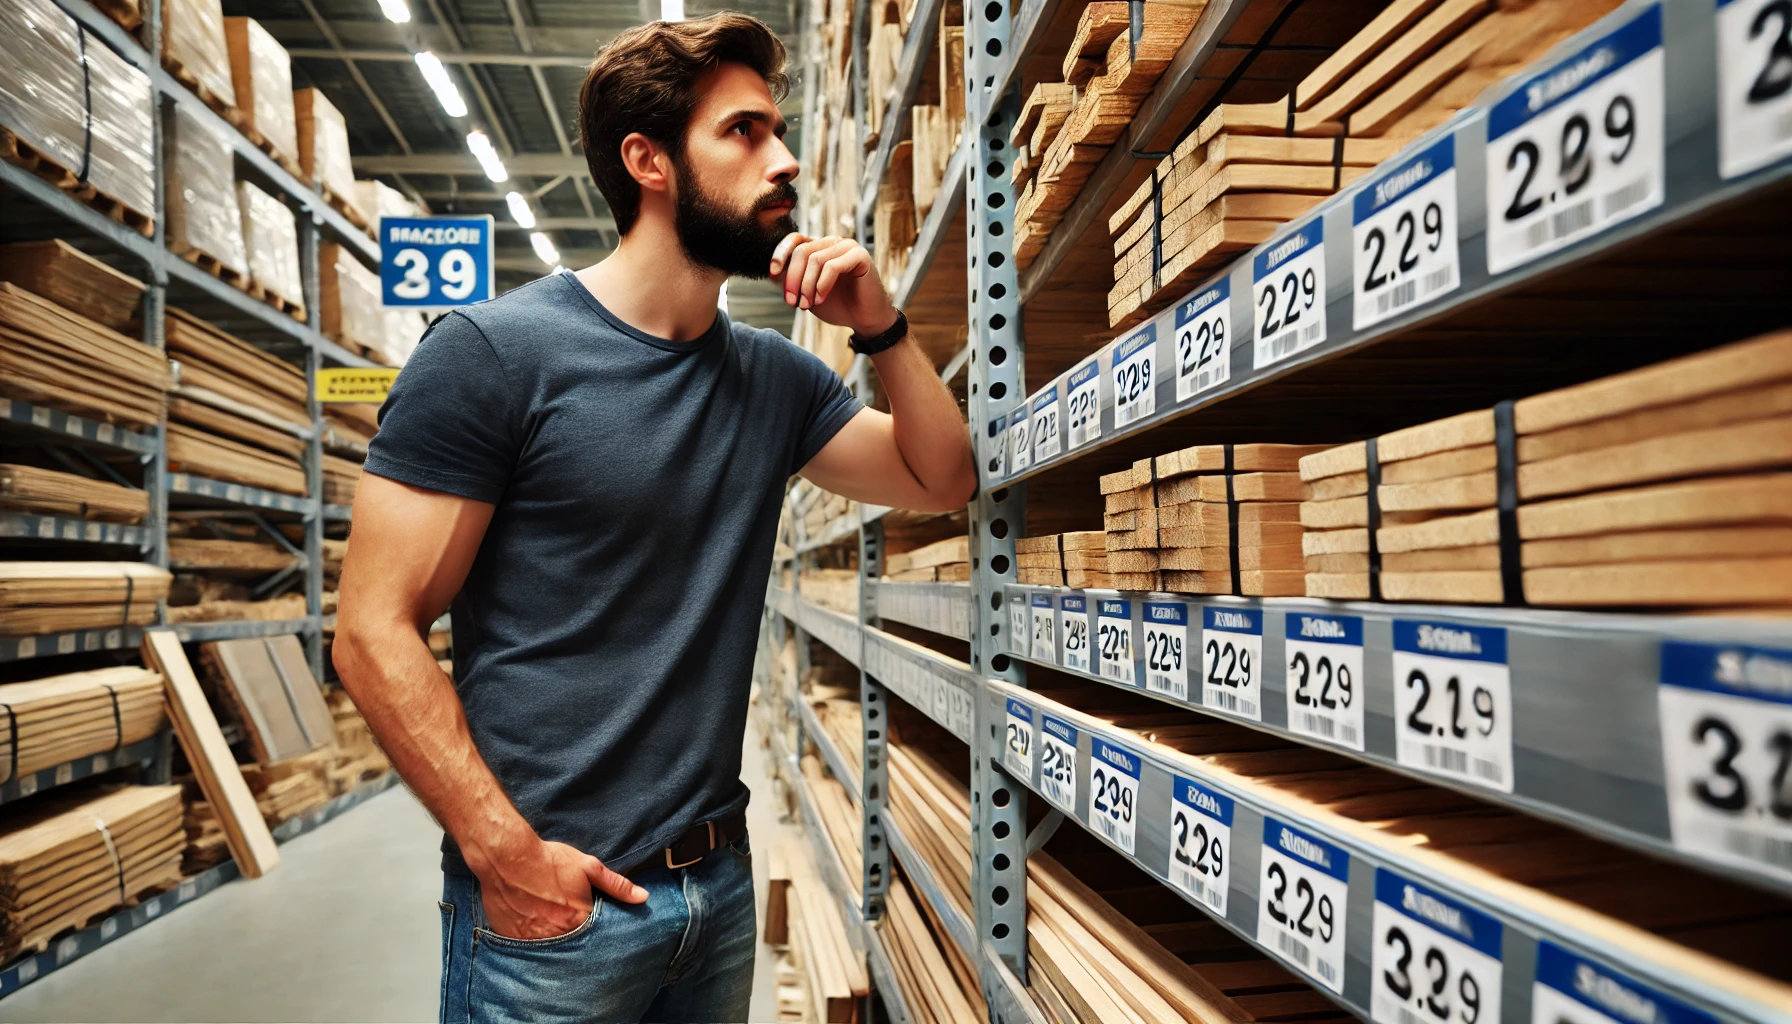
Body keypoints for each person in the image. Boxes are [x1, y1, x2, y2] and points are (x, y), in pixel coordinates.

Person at [331, 11, 976, 1024]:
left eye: (778, 131)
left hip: (712, 895)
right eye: (745, 133)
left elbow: (940, 478)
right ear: (648, 161)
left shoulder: (774, 380)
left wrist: (882, 324)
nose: (788, 160)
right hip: (555, 913)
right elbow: (371, 630)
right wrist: (504, 854)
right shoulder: (493, 357)